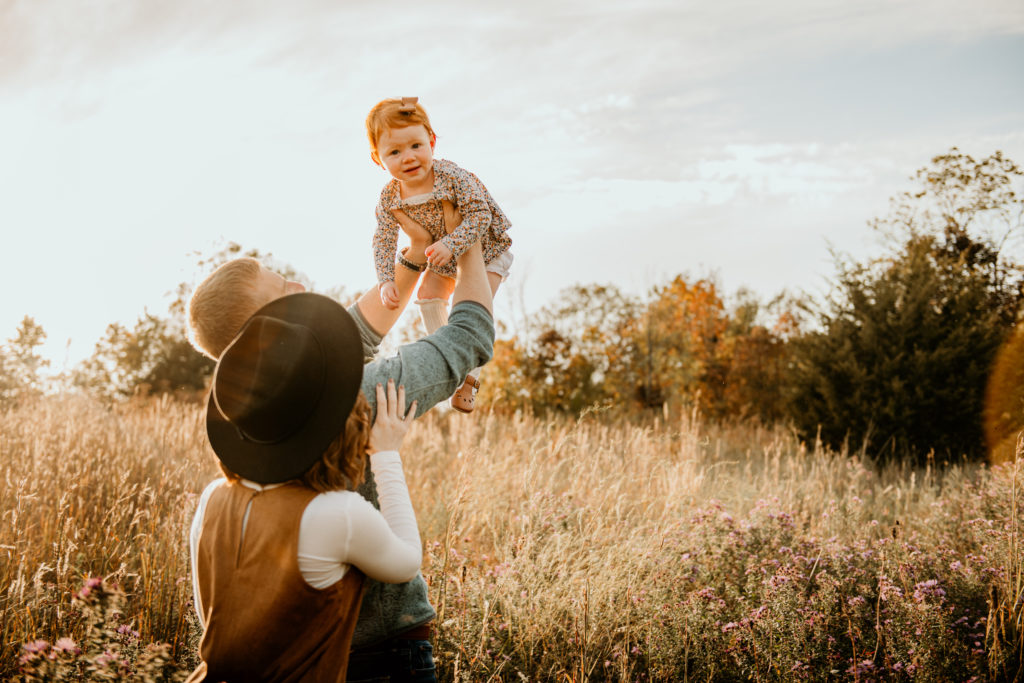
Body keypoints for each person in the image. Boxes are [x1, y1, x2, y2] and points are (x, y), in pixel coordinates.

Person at [186, 211, 494, 681]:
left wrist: (413, 253)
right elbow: (467, 337)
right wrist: (468, 240)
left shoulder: (246, 430)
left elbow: (354, 332)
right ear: (267, 329)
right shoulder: (363, 397)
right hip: (385, 658)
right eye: (281, 288)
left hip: (295, 662)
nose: (295, 284)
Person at [188, 293, 420, 682]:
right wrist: (386, 454)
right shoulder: (335, 514)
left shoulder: (213, 498)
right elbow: (407, 562)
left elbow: (208, 613)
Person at [366, 96, 513, 413]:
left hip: (487, 251)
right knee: (427, 294)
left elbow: (480, 214)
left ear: (431, 141)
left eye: (416, 145)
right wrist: (386, 280)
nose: (408, 157)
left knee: (468, 304)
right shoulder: (390, 197)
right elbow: (384, 238)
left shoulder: (452, 177)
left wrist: (452, 243)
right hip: (441, 259)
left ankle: (470, 378)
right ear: (378, 159)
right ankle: (451, 360)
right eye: (395, 152)